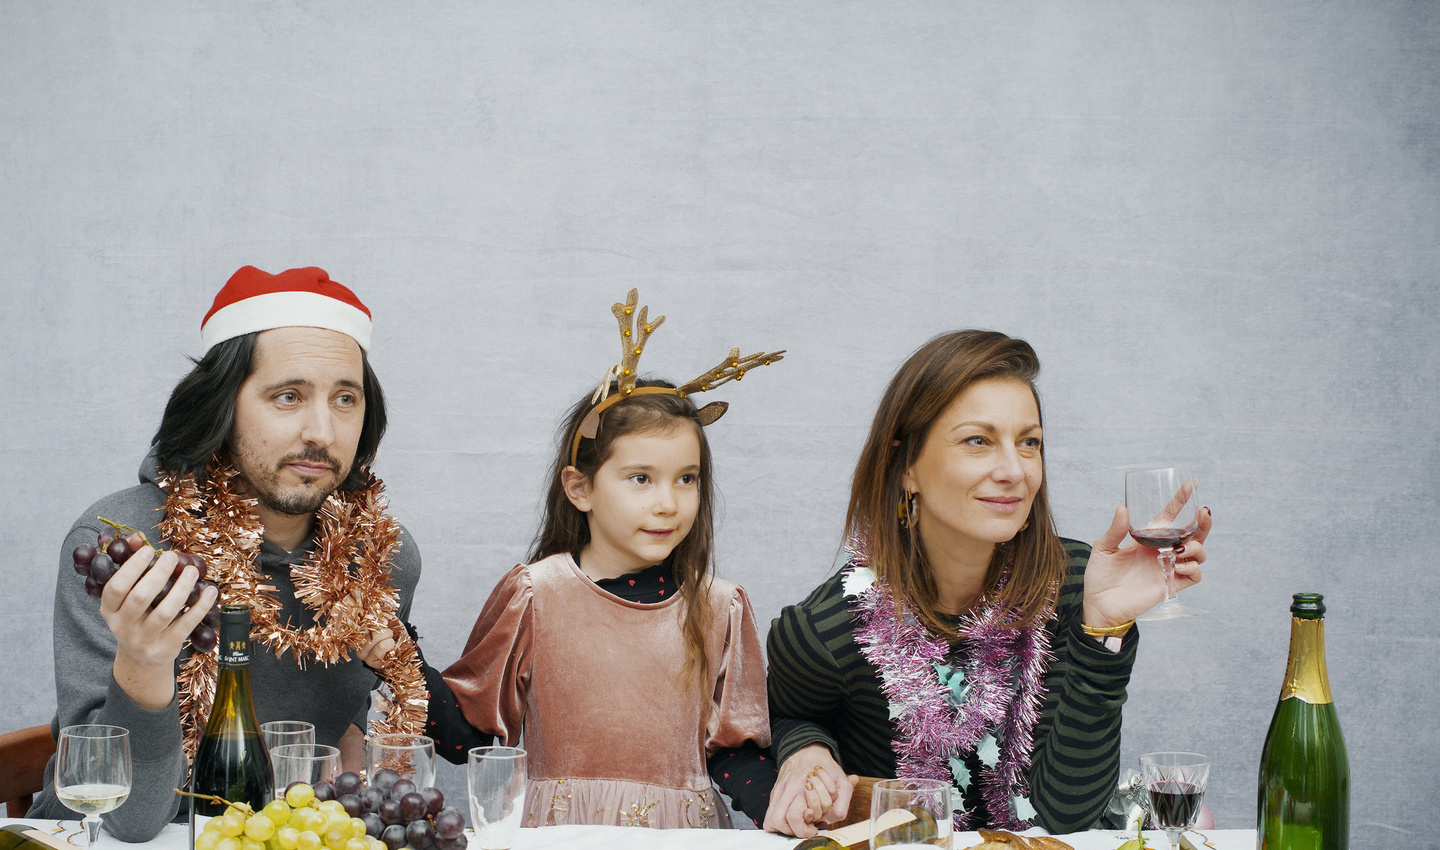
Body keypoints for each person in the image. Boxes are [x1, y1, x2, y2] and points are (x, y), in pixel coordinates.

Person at [763, 330, 1212, 836]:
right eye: (978, 440)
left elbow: (1060, 819)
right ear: (905, 465)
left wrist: (1104, 629)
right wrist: (805, 750)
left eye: (1029, 443)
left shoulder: (1075, 585)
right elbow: (788, 716)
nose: (1013, 470)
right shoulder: (823, 630)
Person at [30, 267, 425, 841]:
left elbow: (343, 747)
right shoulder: (129, 547)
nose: (322, 430)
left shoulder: (378, 556)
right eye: (287, 396)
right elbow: (126, 821)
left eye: (346, 399)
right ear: (221, 405)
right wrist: (144, 662)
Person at [382, 291, 778, 829]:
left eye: (687, 479)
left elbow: (736, 755)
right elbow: (468, 737)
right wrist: (391, 646)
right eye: (641, 479)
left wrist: (796, 805)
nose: (669, 502)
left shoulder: (720, 607)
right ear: (580, 488)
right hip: (559, 836)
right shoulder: (536, 596)